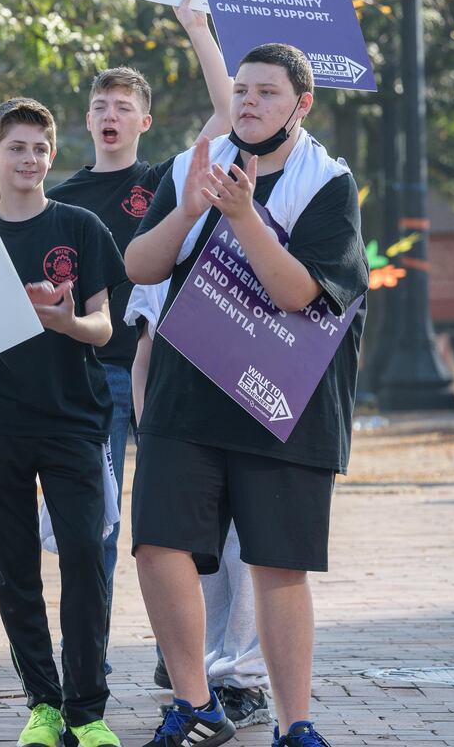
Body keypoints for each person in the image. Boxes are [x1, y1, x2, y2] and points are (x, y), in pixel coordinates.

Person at [124, 43, 366, 747]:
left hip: (281, 400)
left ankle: (296, 725)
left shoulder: (327, 182)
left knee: (277, 561)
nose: (250, 101)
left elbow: (299, 293)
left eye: (266, 91)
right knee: (158, 543)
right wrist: (192, 206)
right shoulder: (191, 163)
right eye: (242, 89)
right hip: (187, 392)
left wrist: (243, 215)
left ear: (301, 104)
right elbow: (140, 264)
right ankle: (196, 704)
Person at [48, 0, 232, 656]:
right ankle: (89, 650)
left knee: (170, 516)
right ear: (87, 121)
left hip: (160, 368)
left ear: (144, 121)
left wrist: (195, 26)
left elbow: (228, 111)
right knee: (98, 520)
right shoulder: (60, 199)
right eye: (100, 106)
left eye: (123, 106)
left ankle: (175, 655)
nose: (109, 115)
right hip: (90, 375)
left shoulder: (163, 180)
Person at [0, 98, 126, 747]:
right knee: (12, 567)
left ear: (52, 154)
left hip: (73, 420)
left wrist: (65, 323)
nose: (29, 160)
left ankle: (87, 711)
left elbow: (104, 324)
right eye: (16, 149)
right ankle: (43, 704)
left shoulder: (81, 226)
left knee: (86, 556)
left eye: (39, 148)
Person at [124, 282, 273, 729]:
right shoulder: (164, 253)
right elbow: (144, 357)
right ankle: (205, 677)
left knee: (245, 554)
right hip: (182, 431)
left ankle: (243, 680)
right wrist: (149, 432)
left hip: (252, 420)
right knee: (194, 557)